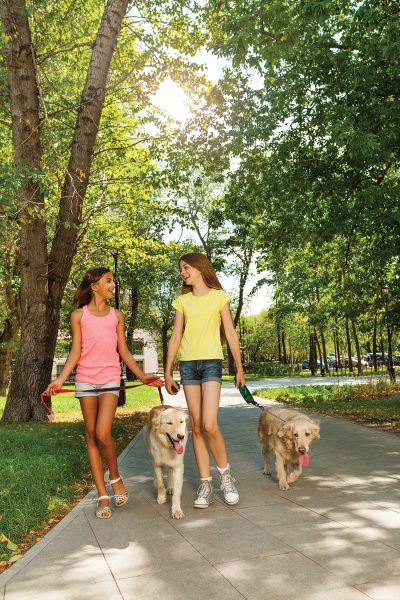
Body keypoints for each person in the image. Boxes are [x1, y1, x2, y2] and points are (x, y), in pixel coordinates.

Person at [43, 267, 163, 519]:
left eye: (113, 281)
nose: (113, 285)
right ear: (94, 285)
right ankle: (102, 494)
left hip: (110, 378)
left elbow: (123, 350)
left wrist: (143, 376)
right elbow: (75, 352)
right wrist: (59, 380)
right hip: (86, 379)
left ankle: (115, 476)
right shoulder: (78, 316)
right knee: (90, 436)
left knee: (102, 432)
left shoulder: (116, 316)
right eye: (108, 281)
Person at [165, 252, 246, 508]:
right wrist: (167, 371)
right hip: (188, 366)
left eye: (186, 267)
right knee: (197, 426)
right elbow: (176, 337)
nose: (183, 272)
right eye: (181, 269)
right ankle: (205, 484)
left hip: (211, 363)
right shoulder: (182, 301)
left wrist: (239, 368)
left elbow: (230, 334)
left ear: (200, 268)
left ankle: (225, 477)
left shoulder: (219, 297)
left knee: (210, 424)